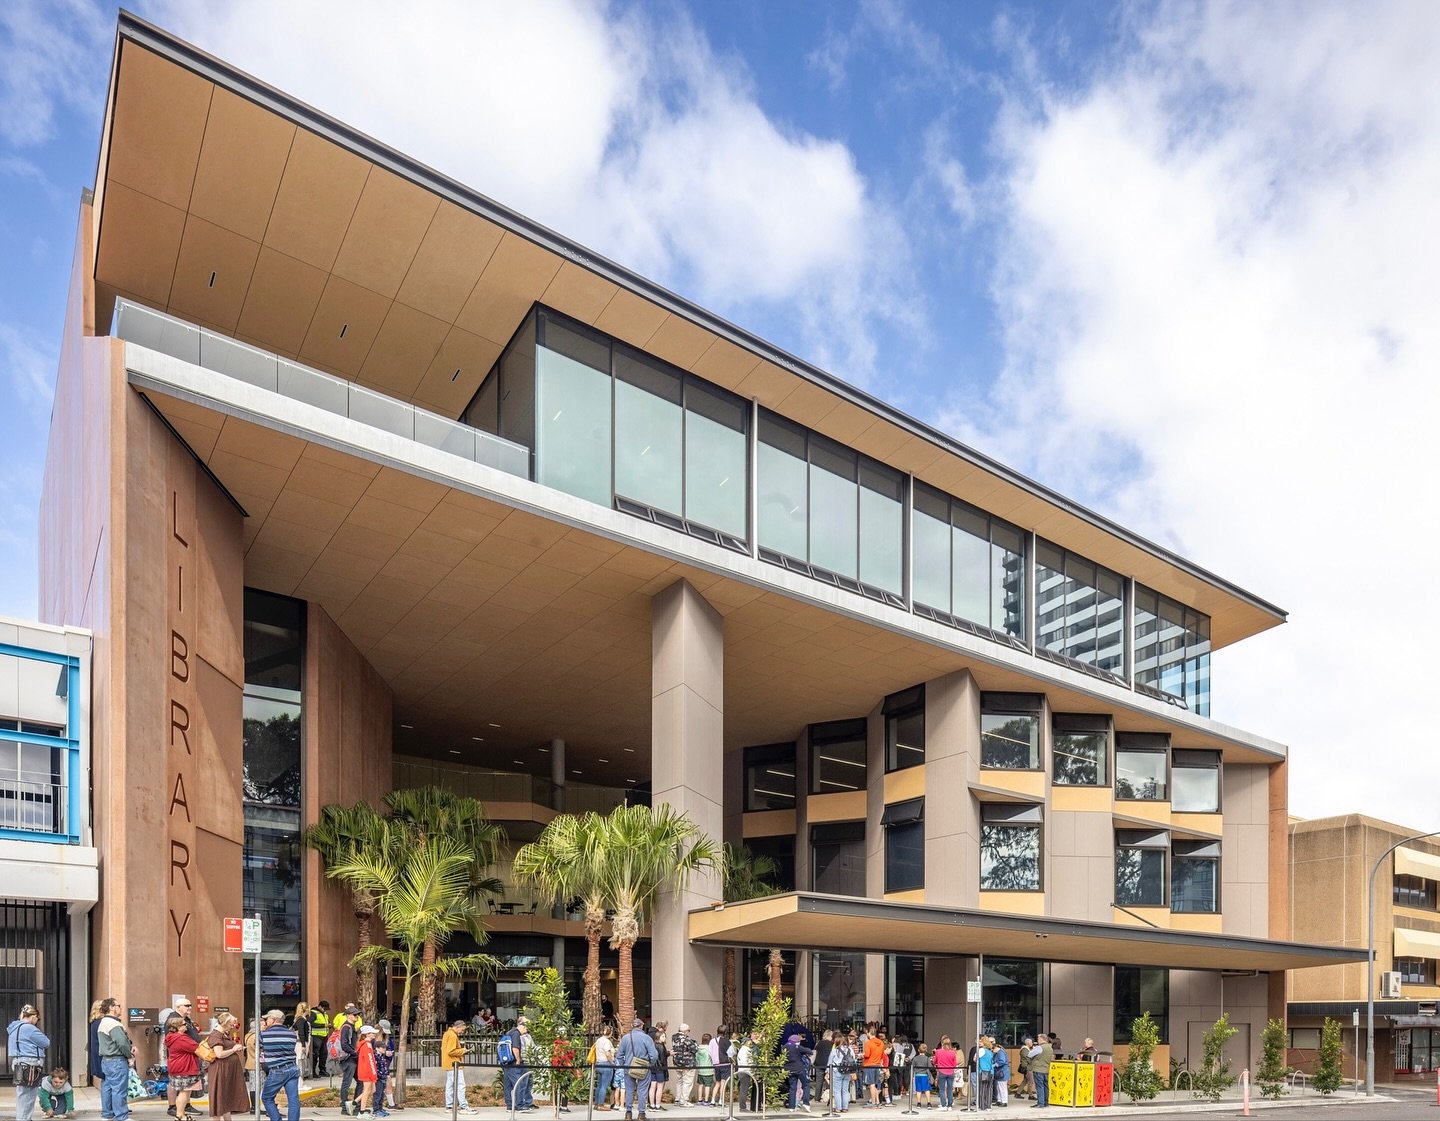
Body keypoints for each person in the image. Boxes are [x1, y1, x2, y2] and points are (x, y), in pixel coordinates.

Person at [258, 1009, 301, 1121]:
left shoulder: (264, 1034)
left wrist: (262, 1031)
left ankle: (276, 1119)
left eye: (267, 1019)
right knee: (293, 1099)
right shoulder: (291, 1034)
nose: (266, 1021)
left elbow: (259, 1046)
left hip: (277, 1070)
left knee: (267, 1097)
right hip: (292, 1068)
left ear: (273, 1019)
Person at [204, 1012, 248, 1121]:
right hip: (220, 1070)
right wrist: (234, 1049)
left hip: (225, 1070)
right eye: (231, 1024)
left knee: (225, 1098)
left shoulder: (224, 1034)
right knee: (219, 1098)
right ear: (224, 1022)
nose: (233, 1026)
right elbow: (219, 1054)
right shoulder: (216, 1035)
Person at [95, 999, 133, 1121]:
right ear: (112, 1007)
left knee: (107, 1087)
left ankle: (107, 1114)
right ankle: (121, 1116)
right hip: (117, 1060)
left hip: (106, 1060)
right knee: (119, 1089)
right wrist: (129, 1056)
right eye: (119, 1006)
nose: (121, 1008)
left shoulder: (103, 1022)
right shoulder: (114, 1024)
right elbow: (122, 1043)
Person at [615, 1017, 658, 1121]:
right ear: (642, 1025)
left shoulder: (625, 1038)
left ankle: (628, 1113)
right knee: (642, 1091)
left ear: (632, 1026)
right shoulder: (646, 1038)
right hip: (644, 1067)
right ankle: (641, 1114)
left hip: (628, 1067)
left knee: (629, 1090)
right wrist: (649, 1064)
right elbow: (654, 1055)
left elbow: (619, 1055)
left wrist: (623, 1065)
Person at [164, 1015, 202, 1121]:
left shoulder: (171, 1037)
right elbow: (196, 1047)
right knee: (184, 1092)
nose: (187, 1026)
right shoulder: (181, 1038)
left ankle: (182, 1114)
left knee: (185, 1091)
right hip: (185, 1067)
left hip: (177, 1066)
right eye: (184, 1024)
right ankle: (180, 1115)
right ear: (178, 1027)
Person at [441, 1017, 475, 1114]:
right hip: (454, 1063)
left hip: (449, 1064)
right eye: (462, 1030)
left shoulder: (447, 1034)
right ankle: (463, 1106)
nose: (462, 1032)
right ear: (458, 1027)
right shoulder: (452, 1036)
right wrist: (463, 1050)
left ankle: (449, 1106)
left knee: (450, 1085)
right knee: (460, 1085)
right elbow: (451, 1051)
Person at [338, 1004, 363, 1115]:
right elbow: (344, 1045)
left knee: (360, 1082)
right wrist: (354, 1053)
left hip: (352, 1058)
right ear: (348, 1015)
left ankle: (355, 1106)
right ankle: (345, 1107)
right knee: (347, 1083)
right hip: (349, 1059)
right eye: (354, 1014)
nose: (357, 1016)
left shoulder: (351, 1027)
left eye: (357, 1014)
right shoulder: (346, 1027)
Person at [784, 1033, 815, 1112]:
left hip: (789, 1070)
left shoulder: (785, 1047)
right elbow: (809, 1052)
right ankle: (806, 1103)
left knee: (792, 1088)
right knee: (806, 1084)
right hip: (799, 1069)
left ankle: (791, 1106)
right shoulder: (797, 1047)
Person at [828, 1032, 857, 1114]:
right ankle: (845, 1107)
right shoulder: (850, 1049)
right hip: (847, 1072)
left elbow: (829, 1063)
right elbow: (853, 1060)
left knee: (837, 1090)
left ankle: (838, 1107)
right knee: (845, 1090)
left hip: (837, 1071)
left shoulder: (835, 1051)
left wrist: (828, 1073)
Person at [671, 1024, 698, 1107]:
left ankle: (678, 1099)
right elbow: (695, 1049)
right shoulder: (686, 1039)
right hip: (687, 1063)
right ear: (685, 1031)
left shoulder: (674, 1038)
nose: (689, 1032)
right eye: (688, 1031)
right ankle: (684, 1100)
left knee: (679, 1081)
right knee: (687, 1082)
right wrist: (695, 1044)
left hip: (677, 1062)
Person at [1020, 1036, 1051, 1110]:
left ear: (1041, 1039)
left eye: (1038, 1039)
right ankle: (1046, 1102)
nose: (1037, 1041)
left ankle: (1040, 1103)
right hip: (1046, 1069)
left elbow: (1029, 1054)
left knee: (1040, 1086)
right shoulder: (1050, 1047)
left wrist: (1034, 1049)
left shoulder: (1039, 1047)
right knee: (1046, 1086)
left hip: (1038, 1069)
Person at [356, 1025, 379, 1117]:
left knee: (372, 1090)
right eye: (372, 1033)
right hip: (367, 1071)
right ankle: (361, 1112)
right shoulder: (367, 1045)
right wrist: (373, 1074)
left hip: (366, 1071)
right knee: (367, 1091)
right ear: (367, 1034)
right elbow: (370, 1061)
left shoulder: (366, 1044)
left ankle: (355, 1103)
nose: (374, 1034)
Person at [373, 1021, 396, 1115]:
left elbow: (391, 1048)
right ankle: (376, 1108)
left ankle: (385, 1106)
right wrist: (384, 1052)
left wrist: (389, 1052)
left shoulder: (387, 1038)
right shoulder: (373, 1037)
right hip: (377, 1067)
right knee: (377, 1090)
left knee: (384, 1086)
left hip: (384, 1066)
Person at [593, 1024, 617, 1110]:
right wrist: (612, 1062)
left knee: (599, 1085)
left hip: (599, 1063)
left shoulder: (599, 1040)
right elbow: (607, 1053)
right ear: (610, 1033)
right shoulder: (607, 1042)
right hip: (606, 1064)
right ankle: (601, 1104)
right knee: (604, 1086)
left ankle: (596, 1103)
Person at [862, 1027, 886, 1107]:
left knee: (871, 1084)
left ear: (869, 1033)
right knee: (876, 1084)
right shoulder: (881, 1043)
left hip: (869, 1064)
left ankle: (873, 1103)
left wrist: (861, 1055)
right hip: (878, 1064)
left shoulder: (868, 1043)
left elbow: (867, 1055)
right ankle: (877, 1102)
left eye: (867, 1033)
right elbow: (882, 1054)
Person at [648, 1024, 669, 1112]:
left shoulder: (653, 1045)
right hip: (660, 1069)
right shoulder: (661, 1047)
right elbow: (662, 1059)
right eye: (663, 1036)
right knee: (659, 1087)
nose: (664, 1038)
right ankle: (657, 1105)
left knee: (653, 1086)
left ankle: (652, 1105)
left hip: (653, 1068)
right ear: (659, 1037)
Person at [933, 1037, 957, 1111]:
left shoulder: (938, 1052)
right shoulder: (953, 1052)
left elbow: (934, 1061)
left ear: (942, 1043)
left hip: (942, 1071)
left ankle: (943, 1105)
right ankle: (950, 1105)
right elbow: (955, 1064)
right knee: (950, 1089)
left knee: (942, 1089)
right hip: (951, 1072)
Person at [87, 1000, 106, 1093]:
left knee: (105, 1082)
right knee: (108, 1083)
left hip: (97, 1053)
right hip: (102, 1055)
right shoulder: (101, 1022)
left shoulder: (94, 1022)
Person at [711, 1027, 732, 1108]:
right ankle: (721, 1101)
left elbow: (710, 1052)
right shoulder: (727, 1041)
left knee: (717, 1083)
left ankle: (712, 1100)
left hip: (716, 1065)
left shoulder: (712, 1041)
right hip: (725, 1064)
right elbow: (731, 1053)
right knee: (723, 1083)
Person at [309, 1002, 331, 1080]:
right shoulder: (313, 1013)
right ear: (320, 1006)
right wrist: (323, 1025)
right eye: (324, 1008)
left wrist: (329, 1024)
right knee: (315, 1054)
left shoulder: (324, 1014)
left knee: (324, 1054)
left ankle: (322, 1070)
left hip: (324, 1036)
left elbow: (326, 1022)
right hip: (316, 1036)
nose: (325, 1010)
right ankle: (313, 1071)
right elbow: (310, 1024)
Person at [290, 1004, 311, 1077]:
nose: (309, 1010)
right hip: (300, 1043)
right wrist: (303, 1045)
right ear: (306, 1009)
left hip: (300, 1042)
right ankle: (299, 1082)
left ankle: (300, 1081)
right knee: (300, 1061)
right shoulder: (301, 1020)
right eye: (308, 1008)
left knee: (301, 1061)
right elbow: (301, 1032)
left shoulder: (299, 1019)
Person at [695, 1033, 715, 1105]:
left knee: (700, 1085)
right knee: (707, 1086)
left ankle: (699, 1100)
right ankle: (706, 1101)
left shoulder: (698, 1048)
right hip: (708, 1070)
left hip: (700, 1070)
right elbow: (712, 1058)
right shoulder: (709, 1049)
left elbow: (696, 1058)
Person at [975, 1037, 993, 1112]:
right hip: (991, 1071)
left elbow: (975, 1059)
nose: (979, 1043)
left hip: (982, 1071)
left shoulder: (981, 1050)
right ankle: (988, 1106)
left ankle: (982, 1106)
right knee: (989, 1089)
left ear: (984, 1043)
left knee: (982, 1089)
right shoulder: (990, 1051)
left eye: (980, 1041)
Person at [911, 1043, 932, 1109]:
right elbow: (930, 1067)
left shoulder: (915, 1058)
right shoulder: (927, 1058)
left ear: (918, 1050)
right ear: (926, 1051)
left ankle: (919, 1103)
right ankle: (928, 1103)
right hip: (925, 1075)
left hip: (917, 1075)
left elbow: (912, 1067)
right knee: (927, 1089)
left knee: (918, 1090)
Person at [991, 1041, 1010, 1109]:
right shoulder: (998, 1053)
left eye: (992, 1049)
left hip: (1002, 1072)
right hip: (999, 1072)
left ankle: (1004, 1101)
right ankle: (999, 1100)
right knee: (999, 1087)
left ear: (996, 1048)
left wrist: (995, 1065)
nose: (992, 1051)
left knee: (1002, 1087)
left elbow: (1002, 1061)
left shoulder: (1001, 1052)